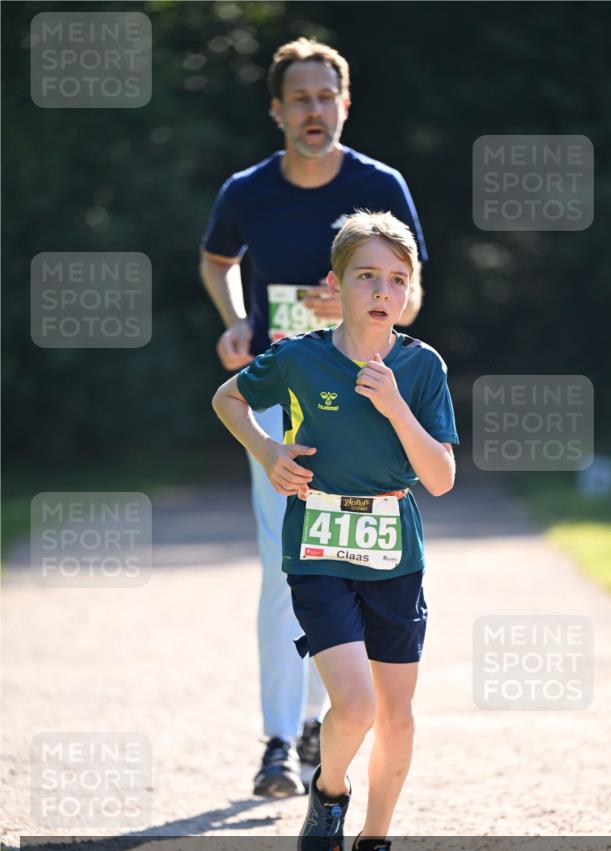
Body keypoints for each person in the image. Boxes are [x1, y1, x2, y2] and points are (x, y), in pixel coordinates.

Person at [200, 37, 428, 798]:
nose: (313, 110)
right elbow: (217, 259)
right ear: (276, 109)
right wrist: (236, 321)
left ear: (345, 104)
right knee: (282, 562)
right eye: (298, 97)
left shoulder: (379, 184)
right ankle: (277, 738)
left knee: (348, 560)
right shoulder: (248, 190)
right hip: (279, 391)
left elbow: (414, 291)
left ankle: (317, 720)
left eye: (325, 96)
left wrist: (363, 301)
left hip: (359, 394)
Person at [212, 211, 458, 851]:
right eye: (367, 276)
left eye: (396, 280)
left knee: (398, 715)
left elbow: (438, 478)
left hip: (393, 555)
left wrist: (394, 409)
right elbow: (229, 397)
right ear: (337, 283)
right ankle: (330, 789)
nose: (382, 291)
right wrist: (267, 453)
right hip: (317, 549)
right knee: (352, 706)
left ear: (408, 293)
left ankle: (375, 844)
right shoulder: (299, 355)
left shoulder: (419, 366)